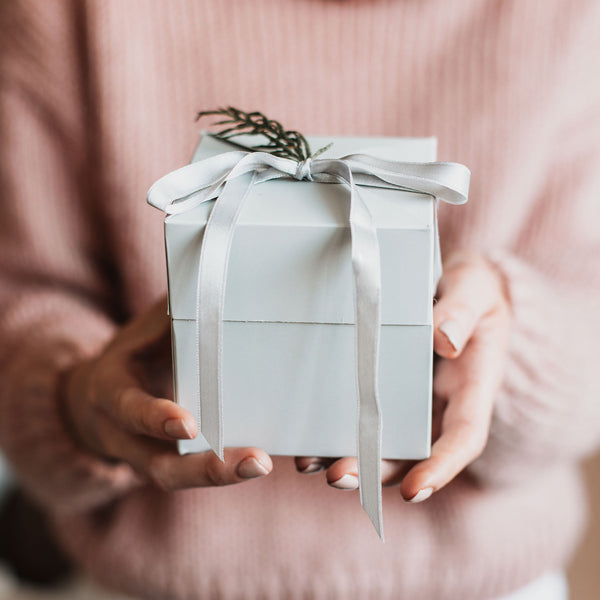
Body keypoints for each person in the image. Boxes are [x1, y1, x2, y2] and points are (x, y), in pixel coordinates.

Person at [0, 1, 598, 599]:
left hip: (485, 582)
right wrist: (74, 397)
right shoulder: (70, 13)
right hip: (147, 581)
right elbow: (23, 292)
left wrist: (504, 351)